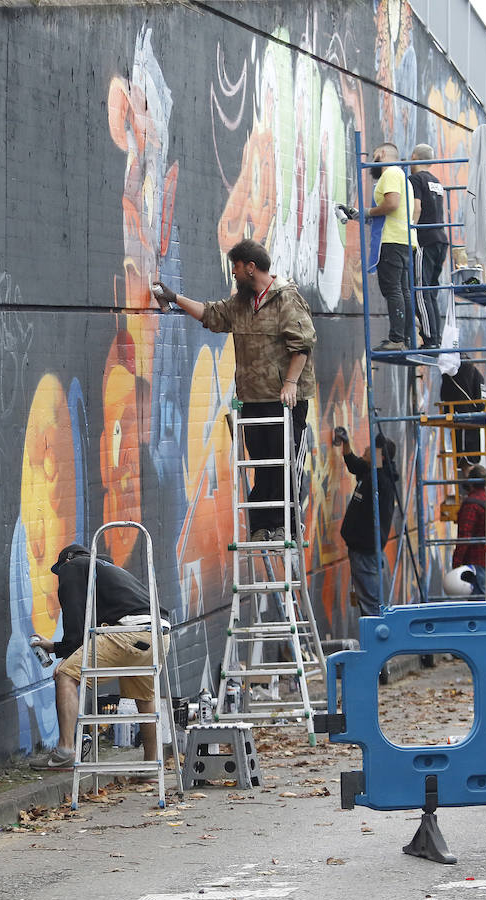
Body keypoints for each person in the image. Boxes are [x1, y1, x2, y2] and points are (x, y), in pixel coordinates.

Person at [152, 238, 317, 542]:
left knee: (284, 462)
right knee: (260, 463)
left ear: (251, 268)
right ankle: (261, 526)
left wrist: (291, 383)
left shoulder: (286, 299)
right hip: (252, 398)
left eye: (236, 268)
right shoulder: (241, 304)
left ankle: (287, 525)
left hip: (284, 401)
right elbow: (211, 315)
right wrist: (174, 297)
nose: (234, 274)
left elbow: (303, 344)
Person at [29, 543, 171, 771]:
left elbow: (75, 623)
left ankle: (65, 751)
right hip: (158, 635)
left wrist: (66, 655)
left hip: (127, 633)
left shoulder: (73, 566)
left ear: (67, 560)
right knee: (144, 698)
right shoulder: (109, 570)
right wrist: (56, 647)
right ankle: (150, 766)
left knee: (65, 675)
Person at [335, 427, 399, 615]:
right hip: (361, 550)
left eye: (371, 451)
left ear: (381, 458)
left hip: (365, 552)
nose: (365, 452)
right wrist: (346, 444)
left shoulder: (382, 481)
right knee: (368, 602)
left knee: (371, 603)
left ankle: (376, 641)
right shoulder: (371, 472)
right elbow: (355, 464)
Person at [367, 141, 415, 351]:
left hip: (392, 240)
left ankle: (396, 339)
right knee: (403, 290)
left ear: (382, 152)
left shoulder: (391, 173)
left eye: (374, 154)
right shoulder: (403, 176)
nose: (372, 160)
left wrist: (368, 212)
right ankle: (405, 338)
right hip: (405, 240)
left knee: (393, 290)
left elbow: (392, 204)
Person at [408, 144, 447, 349]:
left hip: (425, 238)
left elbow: (417, 206)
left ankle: (430, 339)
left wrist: (411, 230)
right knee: (430, 292)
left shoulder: (415, 179)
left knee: (420, 290)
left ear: (414, 156)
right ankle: (436, 338)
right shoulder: (437, 182)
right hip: (441, 239)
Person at [452, 464, 486, 596]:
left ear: (471, 482)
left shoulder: (471, 504)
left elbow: (465, 535)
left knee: (479, 599)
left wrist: (456, 562)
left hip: (476, 560)